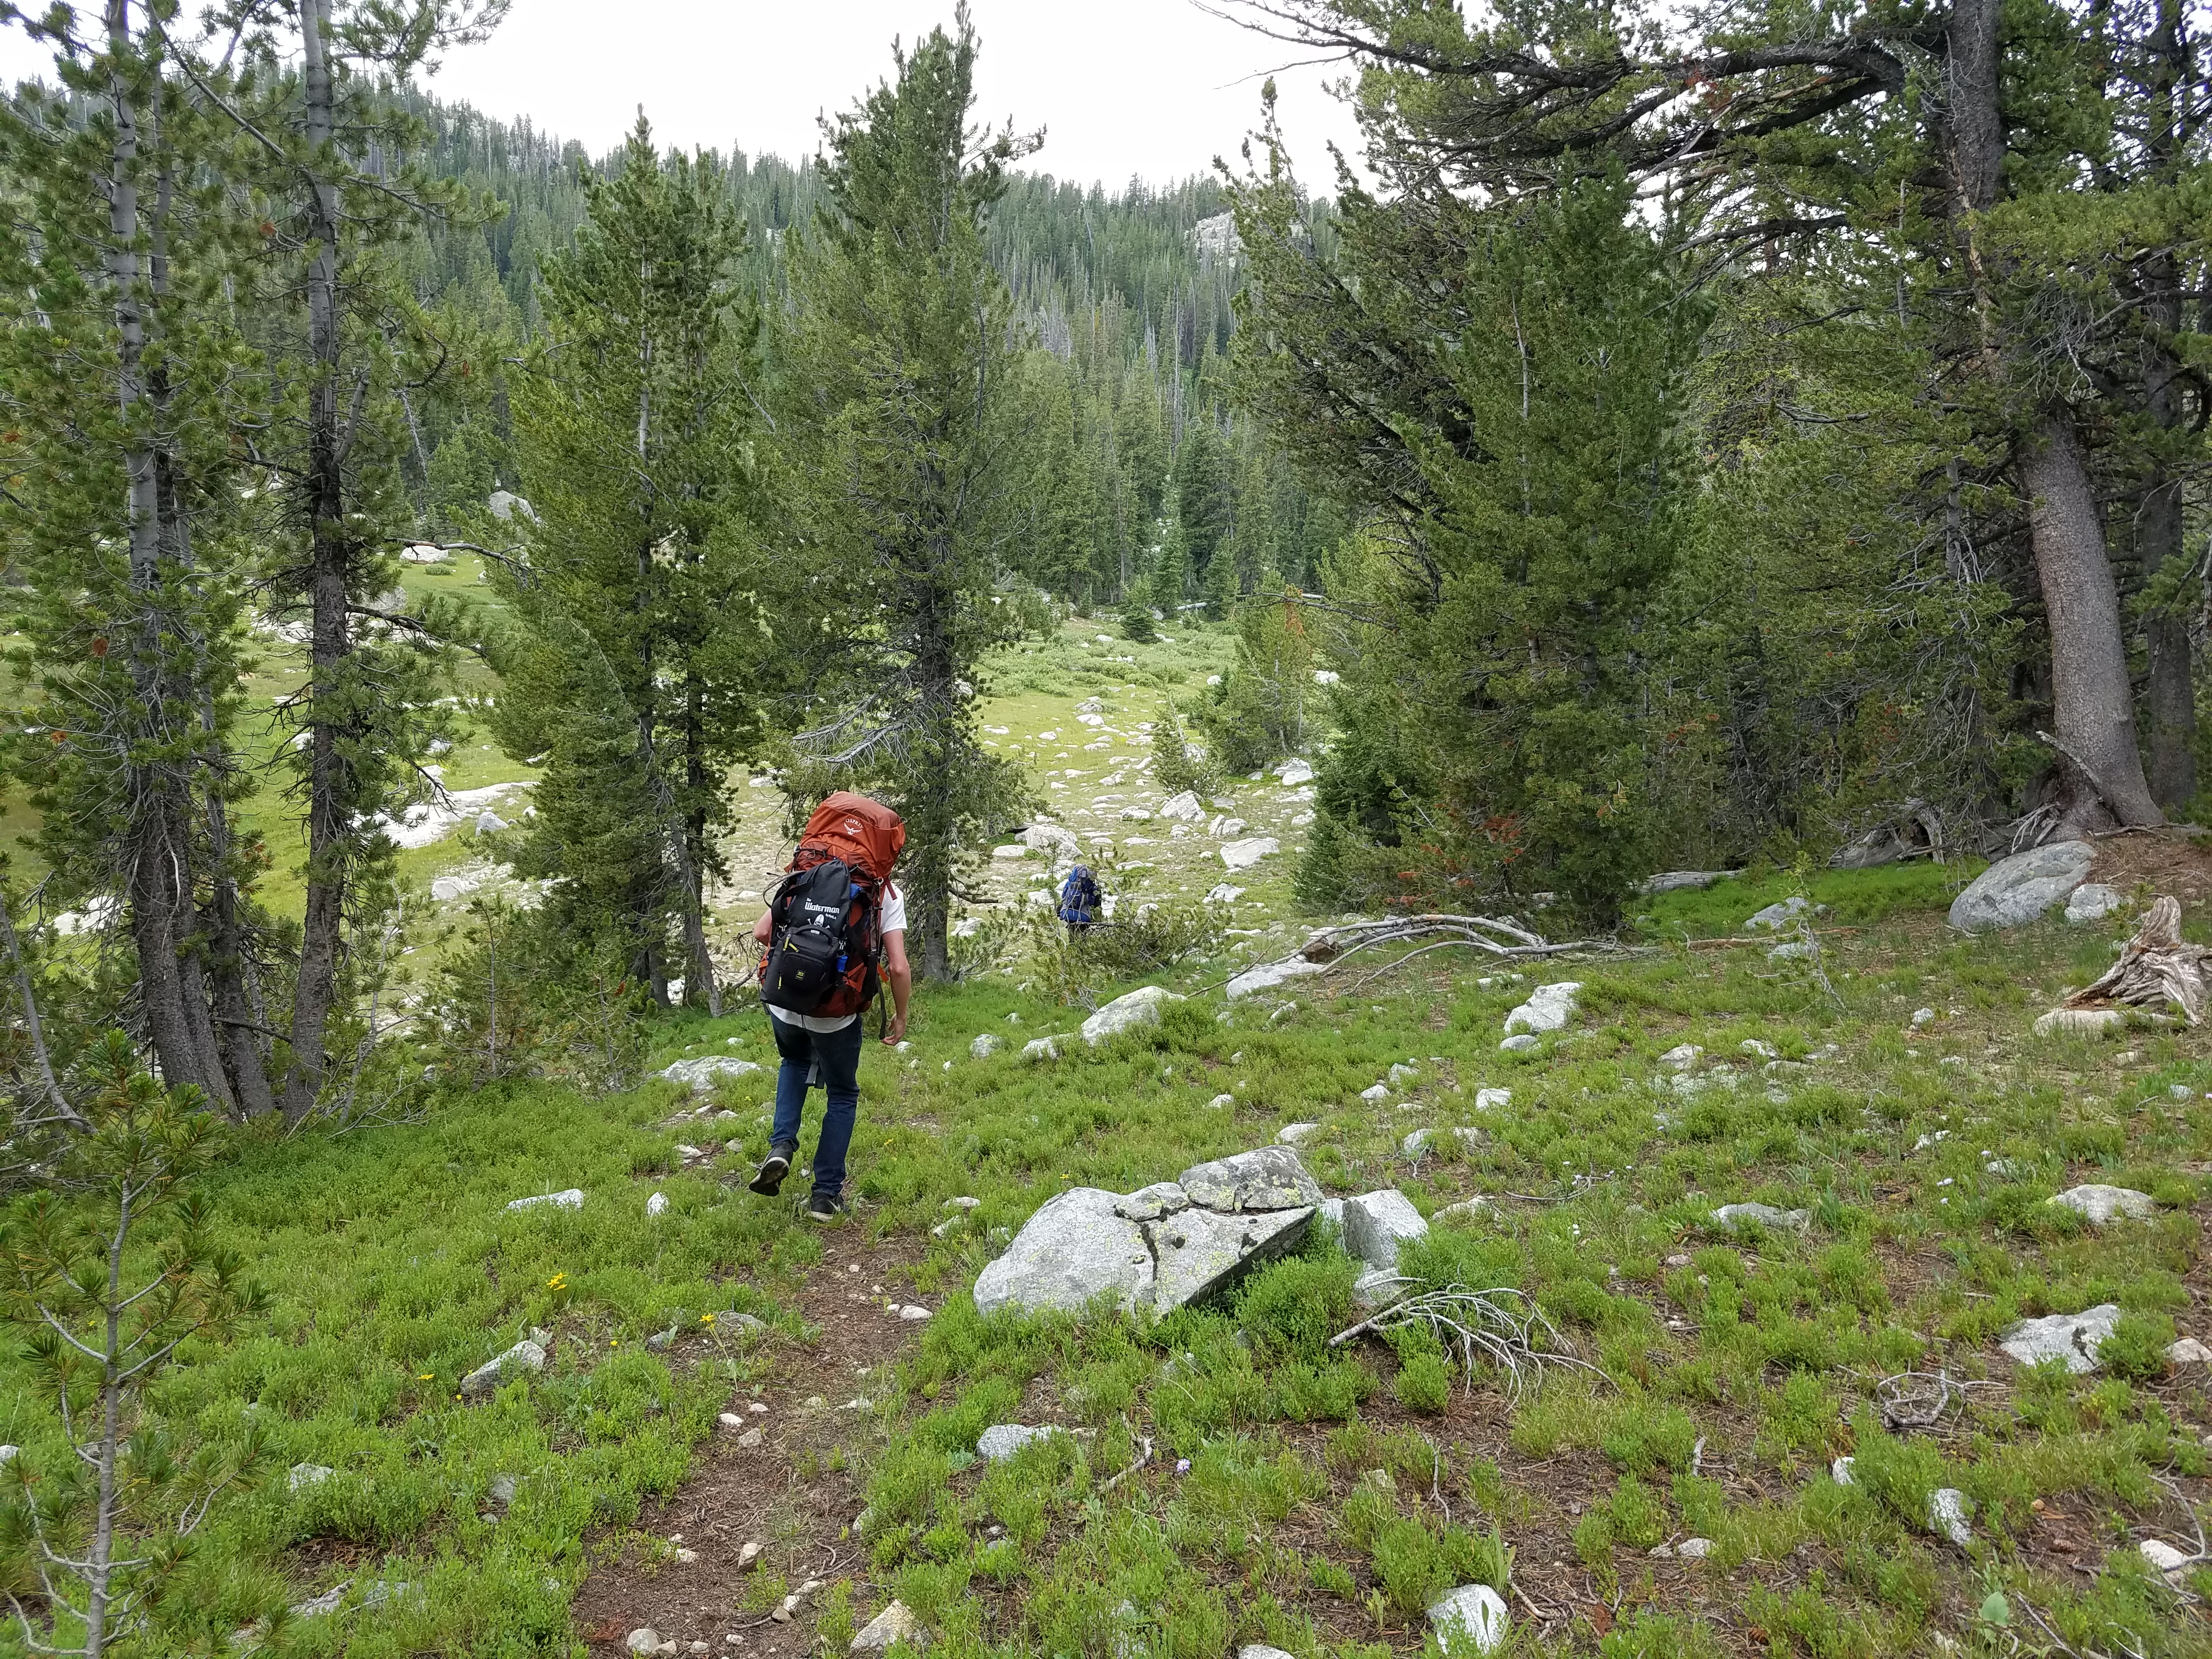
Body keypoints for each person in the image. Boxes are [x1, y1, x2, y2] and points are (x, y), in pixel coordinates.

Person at [747, 793, 911, 1220]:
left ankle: (781, 1147)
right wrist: (901, 1013)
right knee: (842, 1092)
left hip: (784, 1002)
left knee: (793, 1064)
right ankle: (825, 1195)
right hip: (836, 1010)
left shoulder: (805, 872)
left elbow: (763, 933)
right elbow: (897, 966)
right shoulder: (881, 893)